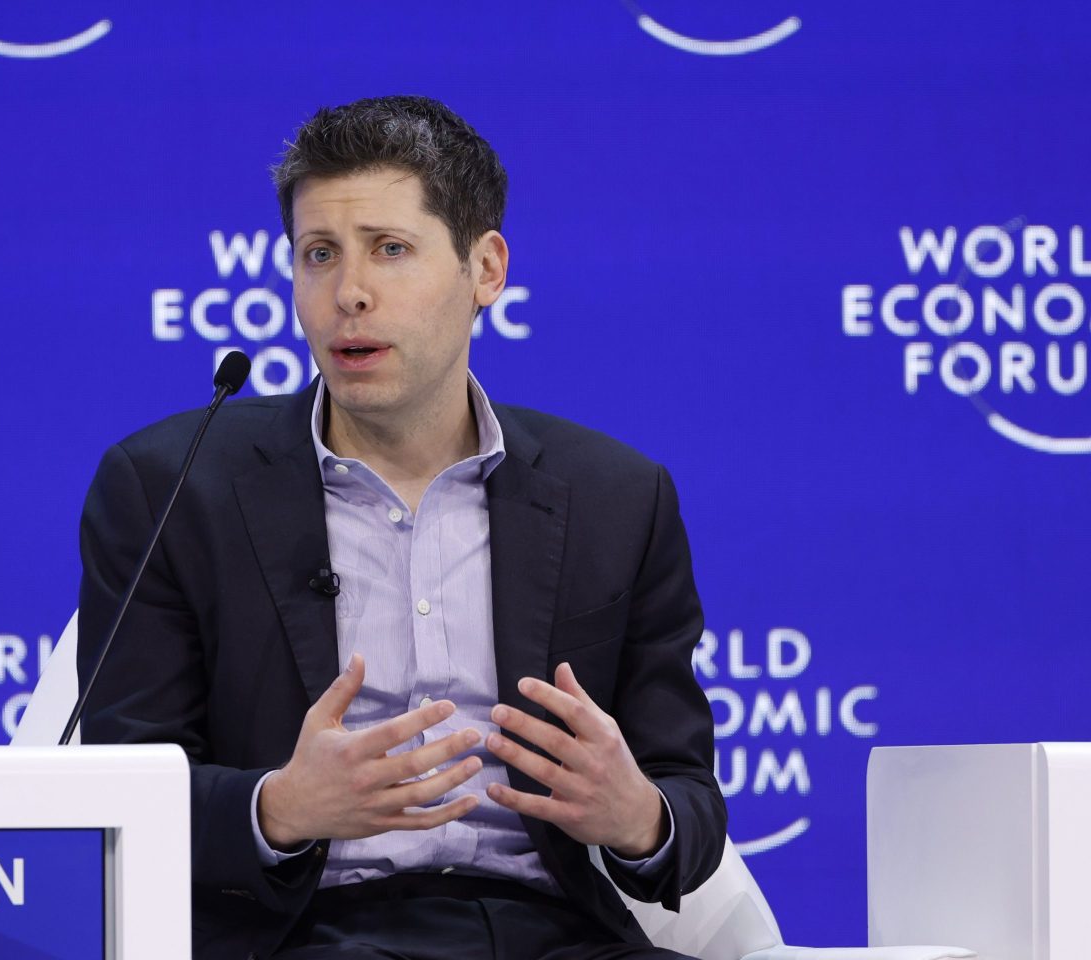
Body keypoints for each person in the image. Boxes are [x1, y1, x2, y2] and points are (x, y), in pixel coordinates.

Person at [78, 95, 725, 960]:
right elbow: (120, 794)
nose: (349, 293)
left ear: (485, 268)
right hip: (302, 935)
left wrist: (636, 816)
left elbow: (687, 800)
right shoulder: (171, 486)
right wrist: (279, 807)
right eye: (319, 255)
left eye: (390, 250)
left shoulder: (617, 497)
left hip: (557, 934)